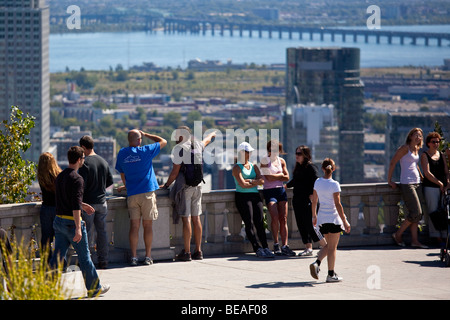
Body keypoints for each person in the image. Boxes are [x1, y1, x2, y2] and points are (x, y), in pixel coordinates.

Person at [51, 146, 109, 296]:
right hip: (71, 223)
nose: (84, 160)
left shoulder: (61, 176)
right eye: (83, 158)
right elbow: (74, 205)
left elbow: (66, 199)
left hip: (59, 221)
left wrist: (83, 205)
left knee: (57, 257)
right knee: (84, 258)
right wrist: (78, 227)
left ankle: (46, 287)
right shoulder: (77, 179)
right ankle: (95, 289)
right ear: (78, 160)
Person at [161, 126, 216, 261]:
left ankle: (187, 252)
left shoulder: (179, 149)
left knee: (187, 219)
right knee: (196, 218)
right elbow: (207, 141)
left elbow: (175, 172)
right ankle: (198, 250)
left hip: (185, 187)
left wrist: (166, 185)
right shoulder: (197, 144)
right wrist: (212, 134)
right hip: (198, 185)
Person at [115, 129, 167, 266]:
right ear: (139, 140)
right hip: (147, 193)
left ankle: (133, 257)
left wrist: (127, 186)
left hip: (132, 194)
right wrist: (147, 134)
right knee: (148, 225)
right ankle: (148, 256)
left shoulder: (122, 153)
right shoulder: (145, 150)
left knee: (134, 226)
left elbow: (122, 174)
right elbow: (163, 141)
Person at [309, 158, 351, 283]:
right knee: (332, 248)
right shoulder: (335, 184)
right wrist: (345, 220)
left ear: (322, 168)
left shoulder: (317, 182)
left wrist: (314, 216)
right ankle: (330, 274)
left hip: (322, 219)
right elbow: (338, 204)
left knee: (328, 246)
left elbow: (314, 201)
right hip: (333, 219)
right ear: (333, 169)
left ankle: (318, 264)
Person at [232, 142, 274, 258]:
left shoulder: (254, 166)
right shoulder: (236, 167)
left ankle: (265, 247)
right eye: (247, 152)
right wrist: (254, 182)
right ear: (241, 153)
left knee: (260, 222)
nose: (249, 154)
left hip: (255, 196)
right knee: (249, 223)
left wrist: (250, 181)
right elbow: (242, 184)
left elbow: (262, 181)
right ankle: (257, 248)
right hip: (242, 196)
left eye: (250, 152)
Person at [388, 127, 427, 248]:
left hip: (417, 182)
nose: (418, 137)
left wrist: (421, 175)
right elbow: (393, 162)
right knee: (416, 212)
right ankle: (398, 234)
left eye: (420, 135)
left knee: (416, 215)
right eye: (416, 135)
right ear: (410, 136)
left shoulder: (416, 148)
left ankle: (415, 241)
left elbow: (415, 164)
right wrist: (389, 180)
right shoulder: (405, 148)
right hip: (407, 183)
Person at [78, 135, 114, 269]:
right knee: (102, 232)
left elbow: (81, 185)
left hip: (88, 203)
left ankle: (87, 262)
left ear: (83, 147)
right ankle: (103, 260)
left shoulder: (85, 163)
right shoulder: (103, 161)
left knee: (86, 232)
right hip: (102, 202)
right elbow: (110, 182)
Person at [260, 140, 293, 256]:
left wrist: (279, 177)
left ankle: (285, 245)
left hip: (281, 191)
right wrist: (280, 175)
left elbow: (287, 177)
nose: (273, 152)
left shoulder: (282, 161)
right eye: (271, 149)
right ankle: (276, 243)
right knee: (274, 218)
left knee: (283, 218)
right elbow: (268, 178)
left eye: (276, 149)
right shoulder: (264, 161)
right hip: (269, 191)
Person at [286, 145, 320, 256]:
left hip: (307, 201)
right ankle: (308, 248)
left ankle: (325, 245)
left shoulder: (310, 167)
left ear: (306, 155)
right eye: (296, 153)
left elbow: (316, 182)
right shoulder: (298, 167)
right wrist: (285, 186)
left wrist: (312, 194)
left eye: (299, 153)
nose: (297, 156)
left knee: (310, 226)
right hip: (297, 200)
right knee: (301, 225)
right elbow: (295, 181)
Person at [420, 132, 450, 243]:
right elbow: (427, 173)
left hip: (443, 188)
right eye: (434, 142)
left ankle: (444, 234)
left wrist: (447, 183)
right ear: (428, 143)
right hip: (431, 187)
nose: (436, 144)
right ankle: (435, 235)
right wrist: (439, 183)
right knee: (433, 211)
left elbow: (446, 172)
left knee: (444, 211)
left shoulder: (441, 155)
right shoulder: (425, 155)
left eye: (438, 142)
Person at [37, 152, 62, 260]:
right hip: (58, 209)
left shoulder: (41, 176)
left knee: (46, 238)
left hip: (46, 208)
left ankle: (46, 261)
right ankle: (59, 261)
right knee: (60, 237)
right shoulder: (59, 176)